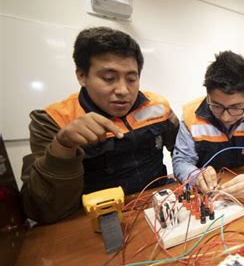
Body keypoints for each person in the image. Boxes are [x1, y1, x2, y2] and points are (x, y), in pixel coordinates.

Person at [21, 27, 179, 224]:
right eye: (108, 78)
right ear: (81, 76)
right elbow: (39, 210)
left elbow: (181, 152)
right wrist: (63, 146)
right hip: (96, 221)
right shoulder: (53, 120)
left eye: (132, 79)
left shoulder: (158, 106)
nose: (123, 90)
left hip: (160, 205)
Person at [172, 51, 244, 199]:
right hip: (208, 195)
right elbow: (181, 161)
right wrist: (196, 177)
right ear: (208, 94)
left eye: (236, 107)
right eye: (216, 105)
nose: (225, 117)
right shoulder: (191, 114)